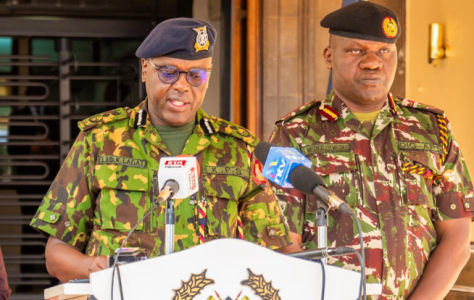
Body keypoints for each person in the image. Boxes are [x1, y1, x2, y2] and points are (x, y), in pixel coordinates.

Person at [30, 18, 291, 283]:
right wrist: (97, 267)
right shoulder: (100, 140)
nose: (182, 85)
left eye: (196, 75)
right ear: (145, 69)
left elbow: (276, 251)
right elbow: (57, 255)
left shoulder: (238, 150)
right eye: (168, 72)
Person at [271, 2, 473, 299]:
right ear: (329, 57)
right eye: (355, 51)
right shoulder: (291, 134)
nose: (372, 62)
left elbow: (457, 235)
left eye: (384, 51)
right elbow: (280, 239)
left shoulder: (432, 129)